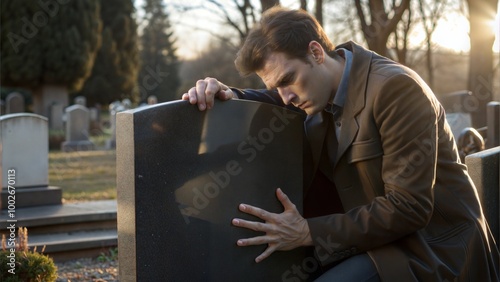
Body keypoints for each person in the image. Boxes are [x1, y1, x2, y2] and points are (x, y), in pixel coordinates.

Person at [182, 6, 500, 281]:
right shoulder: (317, 91)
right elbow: (275, 99)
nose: (286, 96)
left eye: (286, 80)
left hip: (431, 247)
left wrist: (308, 232)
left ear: (316, 52)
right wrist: (230, 94)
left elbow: (410, 208)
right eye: (276, 87)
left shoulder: (395, 89)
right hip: (376, 241)